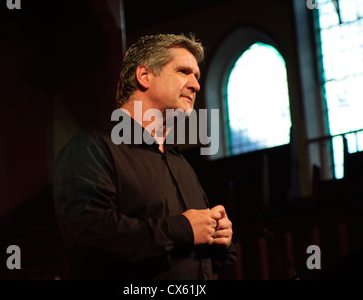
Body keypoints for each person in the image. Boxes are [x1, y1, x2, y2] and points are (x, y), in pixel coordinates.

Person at [53, 33, 236, 279]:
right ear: (144, 76)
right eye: (183, 71)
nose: (195, 85)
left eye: (197, 76)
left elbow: (195, 257)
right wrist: (182, 229)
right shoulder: (92, 148)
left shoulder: (179, 162)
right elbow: (88, 237)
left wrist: (220, 238)